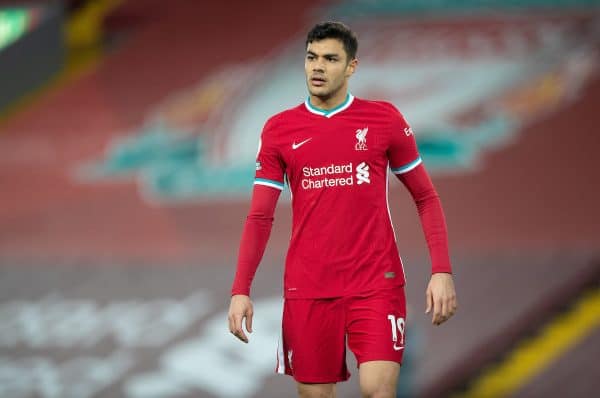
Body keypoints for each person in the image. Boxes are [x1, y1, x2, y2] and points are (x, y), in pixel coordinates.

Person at [228, 21, 457, 398]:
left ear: (352, 66)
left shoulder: (384, 120)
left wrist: (442, 271)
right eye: (311, 57)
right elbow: (259, 217)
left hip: (375, 283)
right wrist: (240, 290)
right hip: (309, 288)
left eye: (330, 59)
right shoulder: (279, 130)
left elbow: (426, 197)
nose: (318, 67)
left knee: (377, 391)